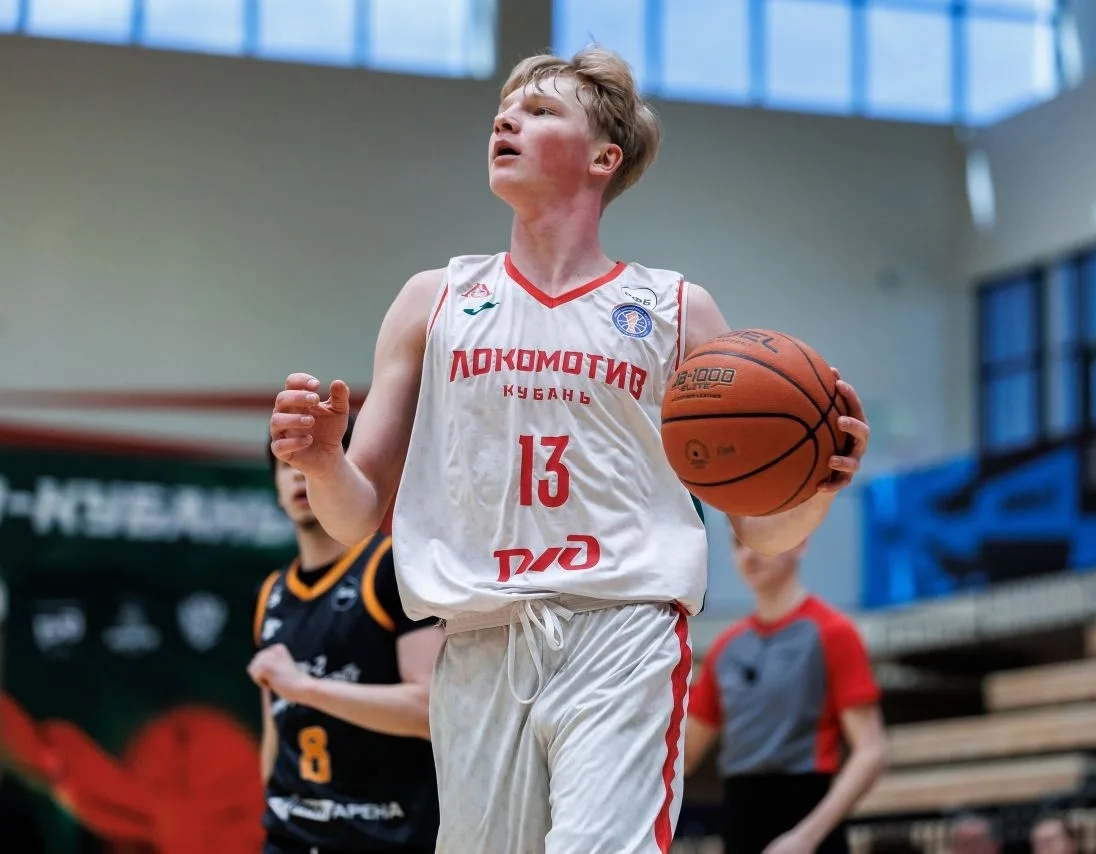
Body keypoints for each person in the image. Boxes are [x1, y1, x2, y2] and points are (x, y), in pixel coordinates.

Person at [269, 45, 870, 854]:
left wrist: (819, 482)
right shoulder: (432, 301)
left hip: (623, 628)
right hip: (479, 636)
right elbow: (356, 516)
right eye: (504, 110)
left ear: (603, 158)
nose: (506, 120)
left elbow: (759, 531)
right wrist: (322, 462)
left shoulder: (675, 311)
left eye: (540, 110)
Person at [249, 417, 444, 854]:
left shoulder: (394, 567)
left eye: (313, 460)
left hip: (387, 836)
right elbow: (275, 734)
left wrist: (306, 688)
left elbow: (430, 711)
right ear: (276, 488)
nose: (298, 474)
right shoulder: (269, 595)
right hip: (291, 837)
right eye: (287, 464)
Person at [684, 535, 888, 854]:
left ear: (800, 541)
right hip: (740, 821)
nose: (748, 554)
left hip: (807, 822)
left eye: (759, 540)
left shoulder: (833, 632)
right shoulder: (725, 649)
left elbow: (871, 751)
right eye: (738, 544)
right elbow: (682, 756)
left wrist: (807, 837)